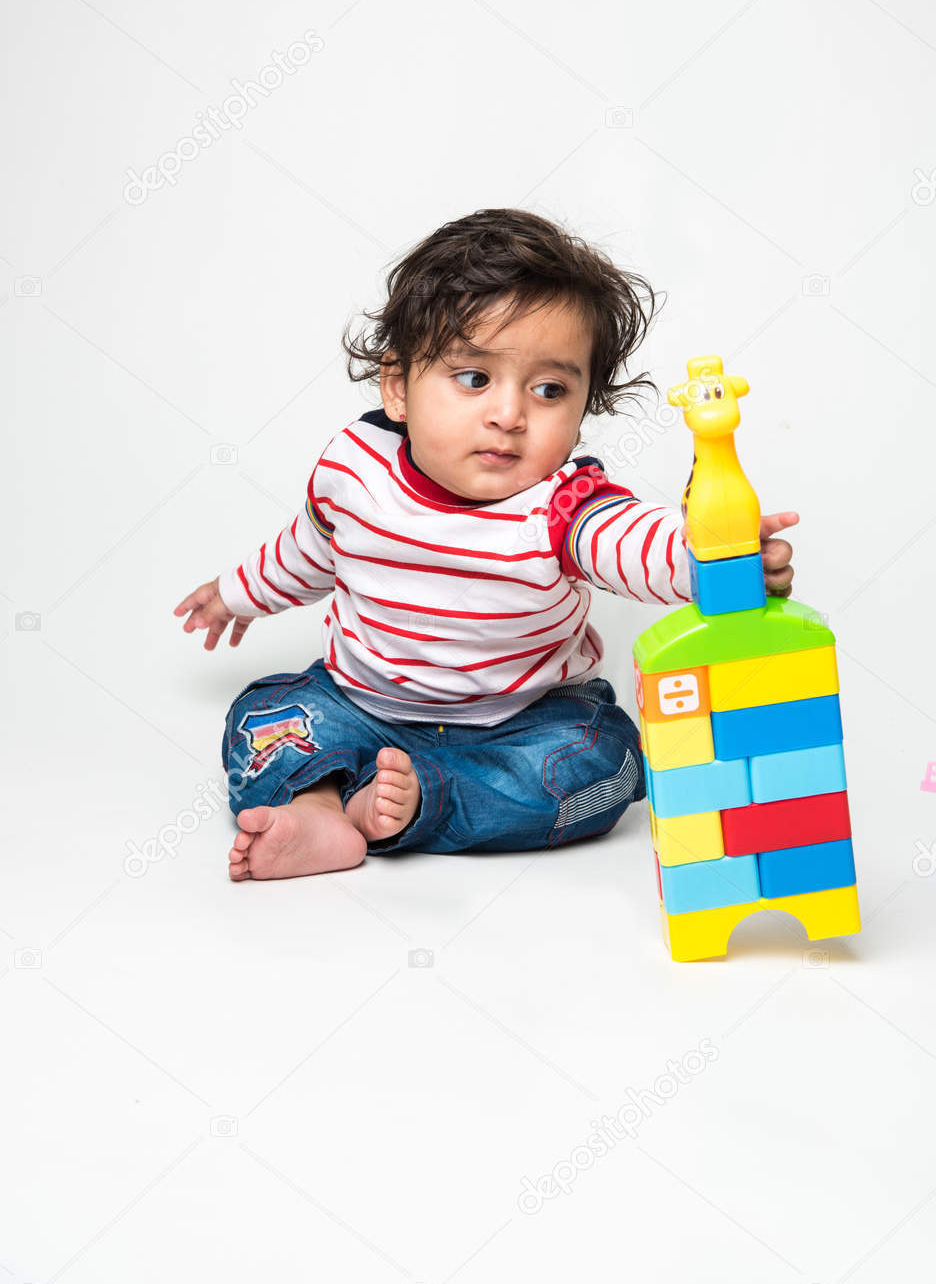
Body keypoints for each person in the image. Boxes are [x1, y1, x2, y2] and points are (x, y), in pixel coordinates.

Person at [173, 209, 798, 881]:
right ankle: (321, 806)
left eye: (549, 389)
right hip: (363, 705)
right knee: (263, 715)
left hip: (524, 725)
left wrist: (711, 555)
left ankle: (426, 802)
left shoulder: (561, 505)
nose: (508, 414)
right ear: (398, 387)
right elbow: (310, 550)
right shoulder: (357, 469)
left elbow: (629, 542)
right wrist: (235, 593)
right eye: (473, 379)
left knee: (606, 765)